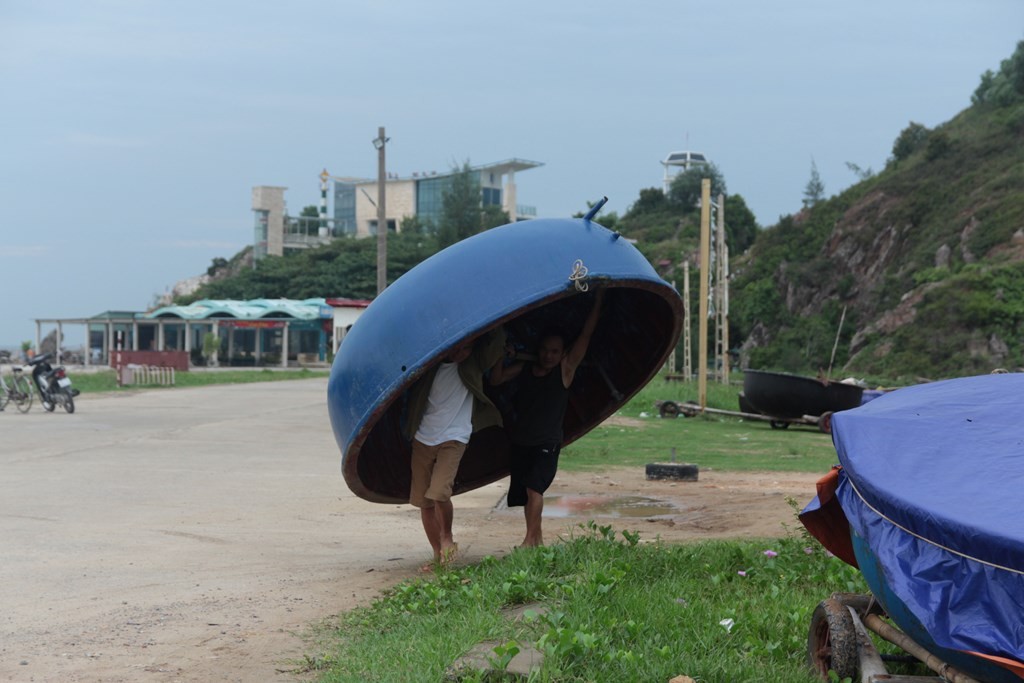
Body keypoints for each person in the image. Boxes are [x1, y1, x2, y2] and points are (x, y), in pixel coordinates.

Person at [490, 289, 605, 547]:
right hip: (521, 442)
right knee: (526, 494)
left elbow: (585, 335)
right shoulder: (524, 368)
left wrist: (598, 300)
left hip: (547, 443)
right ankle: (537, 540)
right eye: (544, 350)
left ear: (563, 353)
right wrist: (501, 352)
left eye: (554, 351)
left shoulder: (565, 371)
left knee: (535, 489)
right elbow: (496, 379)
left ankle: (528, 542)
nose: (548, 355)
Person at [403, 327, 505, 571]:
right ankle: (438, 556)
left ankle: (447, 537)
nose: (460, 352)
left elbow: (498, 339)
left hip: (455, 436)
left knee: (439, 493)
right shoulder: (428, 365)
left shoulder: (473, 364)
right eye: (457, 346)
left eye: (467, 347)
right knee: (423, 501)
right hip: (423, 437)